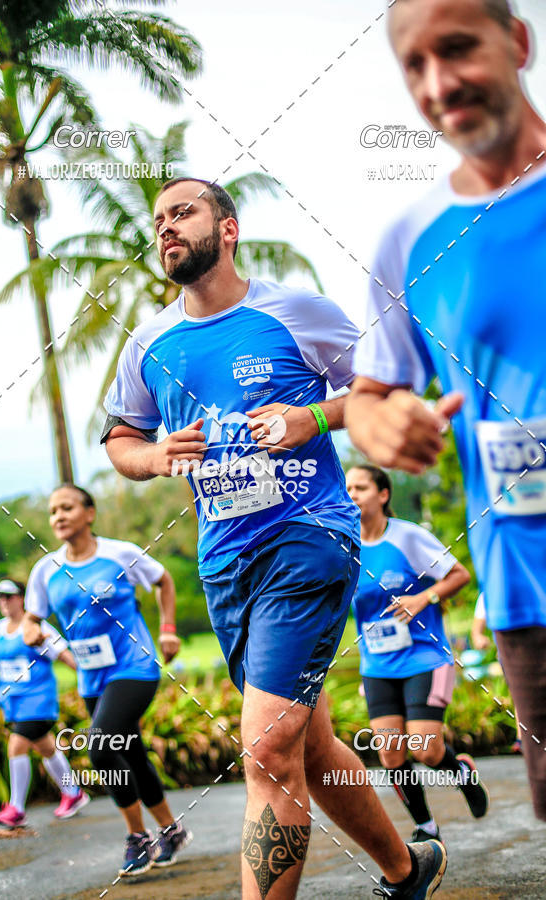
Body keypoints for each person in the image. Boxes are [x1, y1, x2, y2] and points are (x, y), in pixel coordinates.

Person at [101, 176, 447, 899]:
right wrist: (155, 457)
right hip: (225, 563)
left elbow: (383, 389)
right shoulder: (149, 344)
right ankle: (407, 869)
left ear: (228, 229)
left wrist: (309, 418)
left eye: (183, 213)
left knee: (264, 748)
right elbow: (121, 439)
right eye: (158, 220)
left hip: (308, 536)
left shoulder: (298, 313)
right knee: (307, 745)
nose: (166, 228)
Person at [348, 0, 546, 822]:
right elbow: (369, 395)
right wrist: (384, 424)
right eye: (415, 65)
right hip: (526, 586)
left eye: (458, 48)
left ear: (518, 42)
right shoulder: (412, 239)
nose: (438, 82)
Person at [22, 484, 190, 877]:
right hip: (91, 678)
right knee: (131, 753)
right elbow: (32, 616)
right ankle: (172, 831)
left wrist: (167, 629)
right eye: (53, 511)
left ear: (90, 513)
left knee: (100, 747)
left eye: (67, 508)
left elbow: (163, 580)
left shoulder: (120, 554)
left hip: (134, 666)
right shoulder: (46, 569)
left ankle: (138, 838)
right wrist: (31, 629)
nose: (59, 516)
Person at [346, 465, 488, 842]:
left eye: (361, 487)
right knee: (391, 754)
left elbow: (459, 575)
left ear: (383, 494)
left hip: (425, 657)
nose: (352, 494)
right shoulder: (345, 544)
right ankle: (426, 827)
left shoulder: (406, 537)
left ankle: (461, 774)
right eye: (348, 488)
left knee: (425, 749)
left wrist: (423, 598)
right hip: (377, 664)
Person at [0, 578, 89, 827]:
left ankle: (16, 808)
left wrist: (92, 679)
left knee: (16, 745)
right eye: (0, 597)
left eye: (8, 596)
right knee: (46, 748)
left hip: (39, 701)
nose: (3, 601)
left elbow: (65, 657)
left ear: (22, 598)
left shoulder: (38, 628)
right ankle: (73, 793)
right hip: (13, 704)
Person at [471, 593, 522, 753]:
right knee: (520, 694)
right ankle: (522, 739)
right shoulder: (489, 593)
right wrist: (480, 639)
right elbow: (476, 631)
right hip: (509, 654)